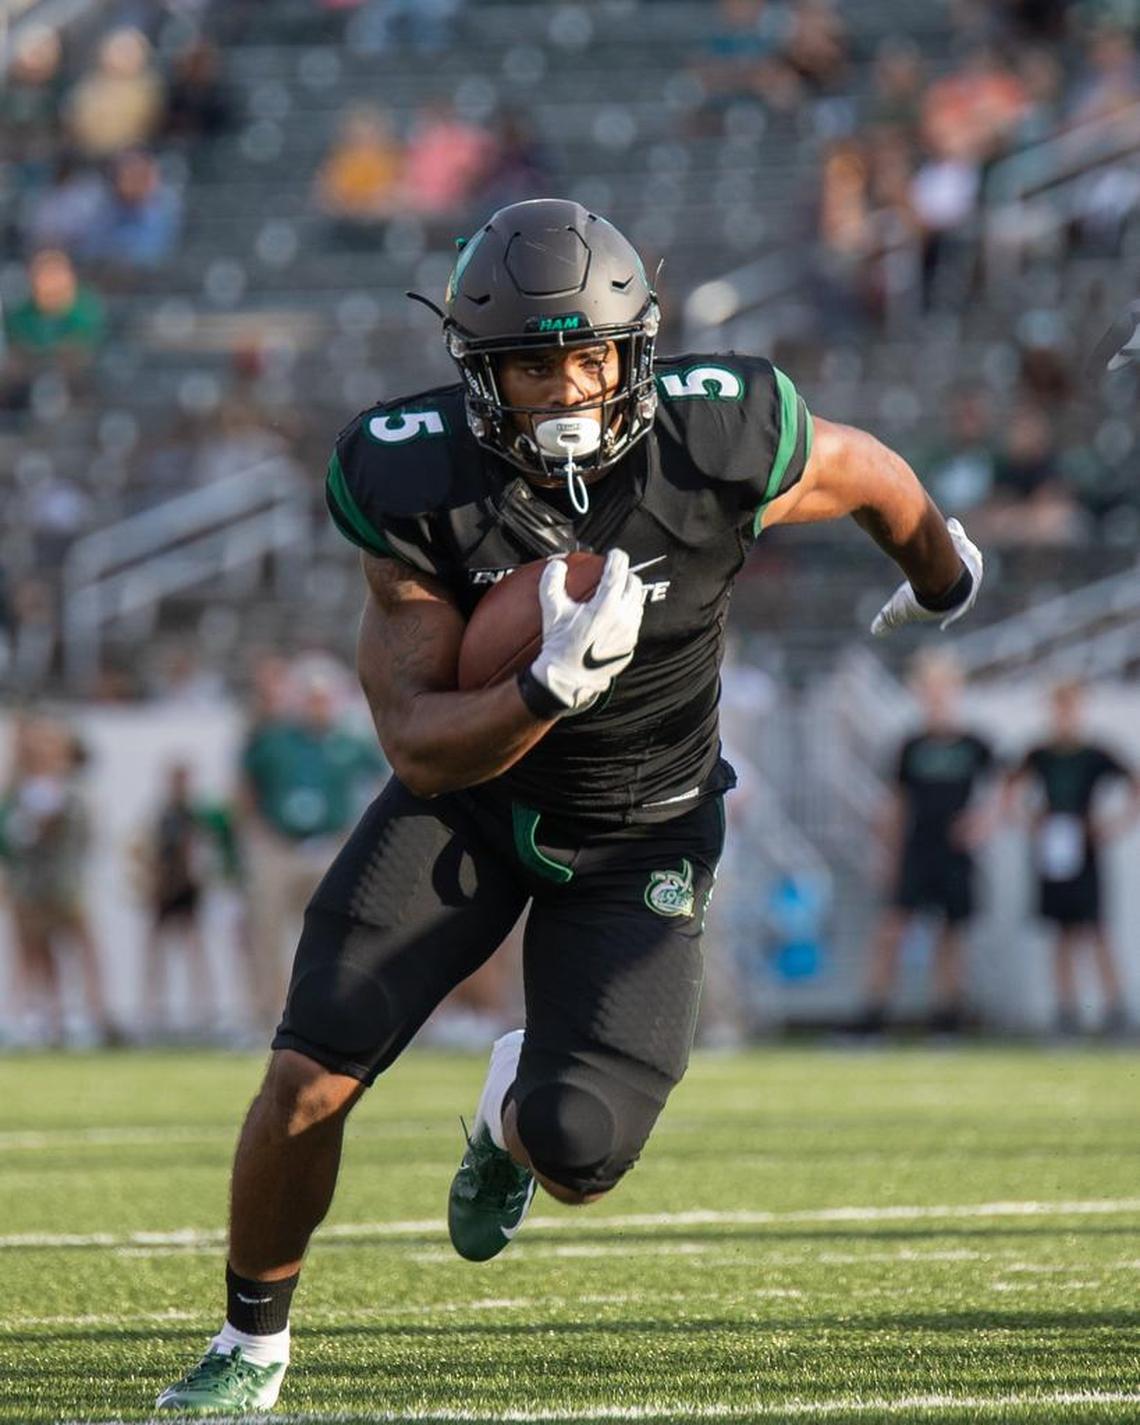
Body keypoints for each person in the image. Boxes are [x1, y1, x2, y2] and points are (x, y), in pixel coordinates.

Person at [156, 197, 983, 1414]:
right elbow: (420, 745)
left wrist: (943, 577)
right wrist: (543, 689)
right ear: (477, 371)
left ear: (636, 347)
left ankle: (504, 1111)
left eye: (588, 354)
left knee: (581, 1148)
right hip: (472, 813)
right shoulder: (415, 475)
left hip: (647, 823)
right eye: (530, 364)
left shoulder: (717, 433)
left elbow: (869, 473)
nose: (564, 387)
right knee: (309, 1074)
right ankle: (249, 1347)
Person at [853, 652, 997, 1036]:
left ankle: (946, 1017)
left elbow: (1005, 787)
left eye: (942, 689)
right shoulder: (910, 746)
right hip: (917, 848)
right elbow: (896, 804)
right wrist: (888, 853)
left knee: (951, 935)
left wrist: (983, 821)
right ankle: (873, 1016)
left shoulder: (974, 744)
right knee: (891, 930)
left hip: (954, 852)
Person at [238, 668, 388, 1032]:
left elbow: (388, 777)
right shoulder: (274, 739)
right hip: (281, 845)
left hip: (332, 844)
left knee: (342, 928)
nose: (316, 706)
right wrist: (258, 833)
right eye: (309, 698)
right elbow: (246, 786)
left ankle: (335, 1007)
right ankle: (267, 1014)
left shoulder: (350, 742)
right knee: (267, 928)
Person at [1004, 680, 1140, 1036]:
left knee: (1096, 929)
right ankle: (1067, 1009)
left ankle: (1114, 1007)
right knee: (1062, 933)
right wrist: (1028, 820)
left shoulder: (1095, 753)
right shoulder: (1039, 754)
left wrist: (1115, 824)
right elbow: (1009, 786)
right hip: (1053, 848)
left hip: (1085, 847)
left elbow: (1133, 781)